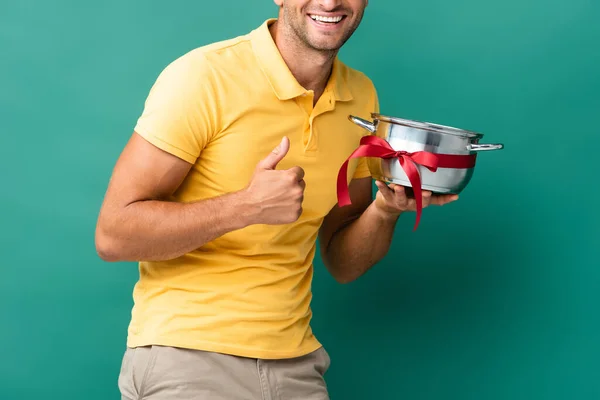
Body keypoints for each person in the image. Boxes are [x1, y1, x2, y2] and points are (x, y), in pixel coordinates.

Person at [95, 1, 458, 399]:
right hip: (189, 356)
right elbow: (114, 234)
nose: (330, 2)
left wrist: (385, 209)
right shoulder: (204, 76)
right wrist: (244, 207)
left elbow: (342, 261)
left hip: (296, 367)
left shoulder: (360, 97)